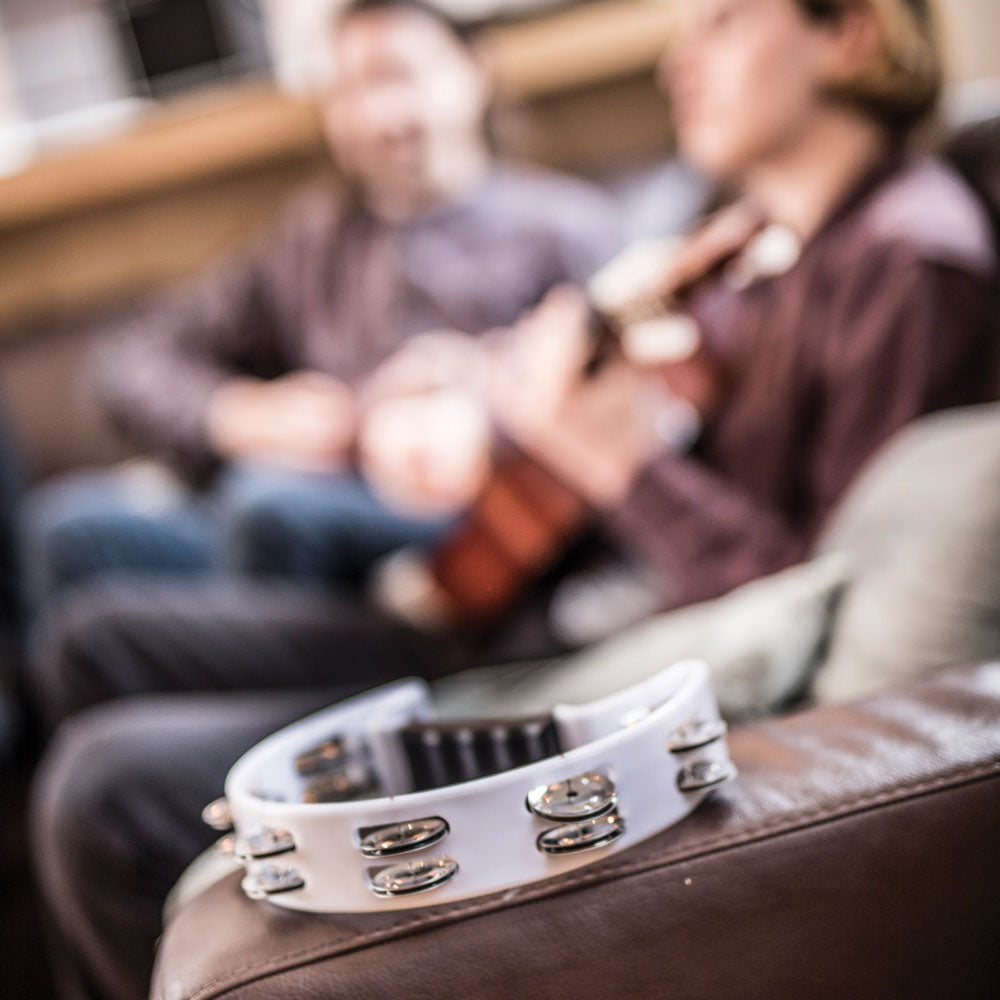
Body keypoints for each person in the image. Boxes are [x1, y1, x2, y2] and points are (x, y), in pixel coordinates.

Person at [30, 0, 999, 997]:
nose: (679, 59)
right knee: (95, 639)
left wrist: (609, 459)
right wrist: (472, 390)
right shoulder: (739, 245)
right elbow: (607, 403)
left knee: (105, 790)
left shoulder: (906, 261)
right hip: (510, 591)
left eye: (721, 20)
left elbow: (810, 604)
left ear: (848, 34)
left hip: (590, 665)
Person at [19, 0, 620, 610]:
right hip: (287, 520)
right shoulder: (310, 241)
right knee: (71, 528)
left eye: (397, 76)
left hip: (459, 534)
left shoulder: (565, 230)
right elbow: (134, 359)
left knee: (272, 507)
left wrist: (484, 409)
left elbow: (639, 410)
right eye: (349, 90)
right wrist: (234, 413)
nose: (377, 117)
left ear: (473, 73)